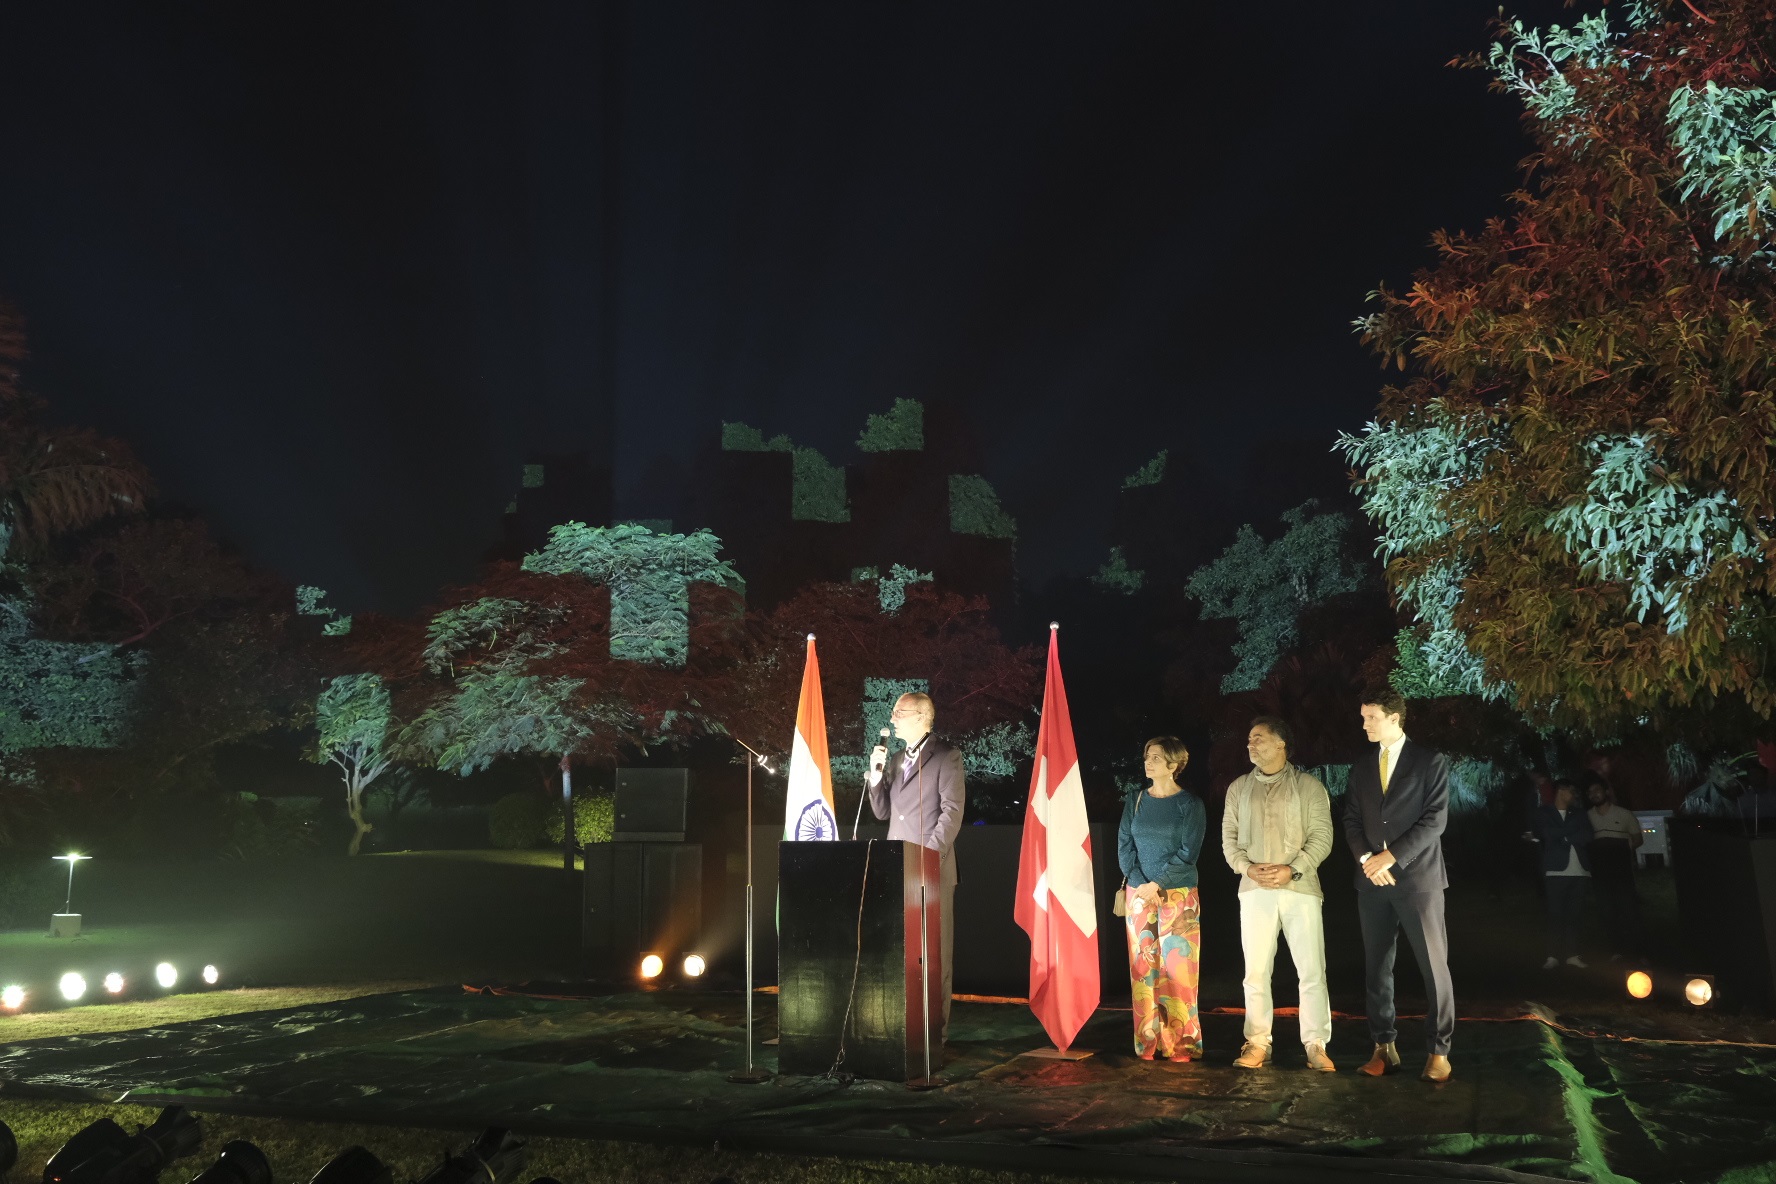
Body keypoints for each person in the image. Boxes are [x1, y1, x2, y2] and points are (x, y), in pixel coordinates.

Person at [1345, 690, 1455, 1084]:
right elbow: (1352, 821)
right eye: (1363, 717)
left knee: (1432, 966)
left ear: (1394, 717)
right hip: (1372, 882)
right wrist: (1367, 862)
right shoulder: (1360, 767)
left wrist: (1391, 858)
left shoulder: (1429, 761)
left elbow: (1434, 821)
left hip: (1418, 879)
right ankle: (1383, 1048)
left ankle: (1438, 1051)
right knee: (1376, 969)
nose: (1364, 724)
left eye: (1371, 717)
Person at [1221, 715, 1335, 1071]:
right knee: (1255, 971)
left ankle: (1315, 1043)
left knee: (1311, 969)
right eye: (1250, 740)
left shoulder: (1309, 787)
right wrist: (1247, 868)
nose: (1251, 744)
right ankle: (1257, 1042)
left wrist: (1292, 868)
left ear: (1282, 743)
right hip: (1255, 889)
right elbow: (1229, 840)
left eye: (1259, 739)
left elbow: (1322, 838)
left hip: (1300, 888)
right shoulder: (1238, 788)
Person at [866, 691, 965, 1042]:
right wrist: (875, 777)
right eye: (892, 712)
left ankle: (933, 1035)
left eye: (899, 712)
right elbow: (881, 813)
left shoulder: (946, 756)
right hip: (897, 869)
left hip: (931, 868)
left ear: (923, 717)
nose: (892, 718)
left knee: (934, 954)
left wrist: (928, 858)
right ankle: (901, 1027)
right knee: (900, 951)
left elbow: (952, 813)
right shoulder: (893, 759)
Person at [1117, 736, 1207, 1061]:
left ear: (1173, 765)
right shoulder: (1135, 801)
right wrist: (1143, 885)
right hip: (1140, 895)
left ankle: (1181, 1045)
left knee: (1177, 970)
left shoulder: (1190, 805)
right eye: (1147, 757)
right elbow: (1125, 846)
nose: (1148, 762)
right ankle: (1148, 1043)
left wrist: (1157, 884)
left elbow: (1188, 853)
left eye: (1155, 757)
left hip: (1178, 896)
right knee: (1143, 971)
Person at [1528, 779, 1594, 969]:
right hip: (1555, 870)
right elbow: (1546, 833)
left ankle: (1573, 954)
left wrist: (1563, 836)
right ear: (1561, 791)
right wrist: (1571, 833)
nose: (1573, 795)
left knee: (1575, 914)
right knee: (1555, 914)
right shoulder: (1544, 813)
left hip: (1579, 871)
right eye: (1570, 791)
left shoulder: (1579, 813)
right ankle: (1552, 955)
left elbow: (1588, 835)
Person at [1585, 778, 1645, 960]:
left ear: (1607, 792)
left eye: (1597, 790)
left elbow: (1638, 839)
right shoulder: (1587, 817)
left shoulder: (1624, 814)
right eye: (1590, 792)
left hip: (1622, 872)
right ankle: (1616, 950)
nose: (1593, 794)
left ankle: (1638, 951)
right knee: (1607, 911)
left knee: (1629, 910)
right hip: (1600, 873)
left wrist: (1624, 848)